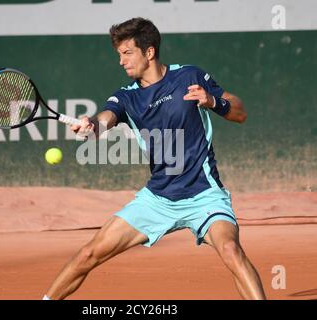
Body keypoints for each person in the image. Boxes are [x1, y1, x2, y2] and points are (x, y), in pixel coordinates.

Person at [43, 17, 266, 300]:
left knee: (231, 250)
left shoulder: (189, 76)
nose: (121, 61)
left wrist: (212, 102)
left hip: (205, 196)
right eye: (119, 55)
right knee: (89, 253)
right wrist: (91, 125)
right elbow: (105, 118)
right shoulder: (125, 97)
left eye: (127, 53)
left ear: (149, 52)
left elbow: (240, 112)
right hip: (158, 198)